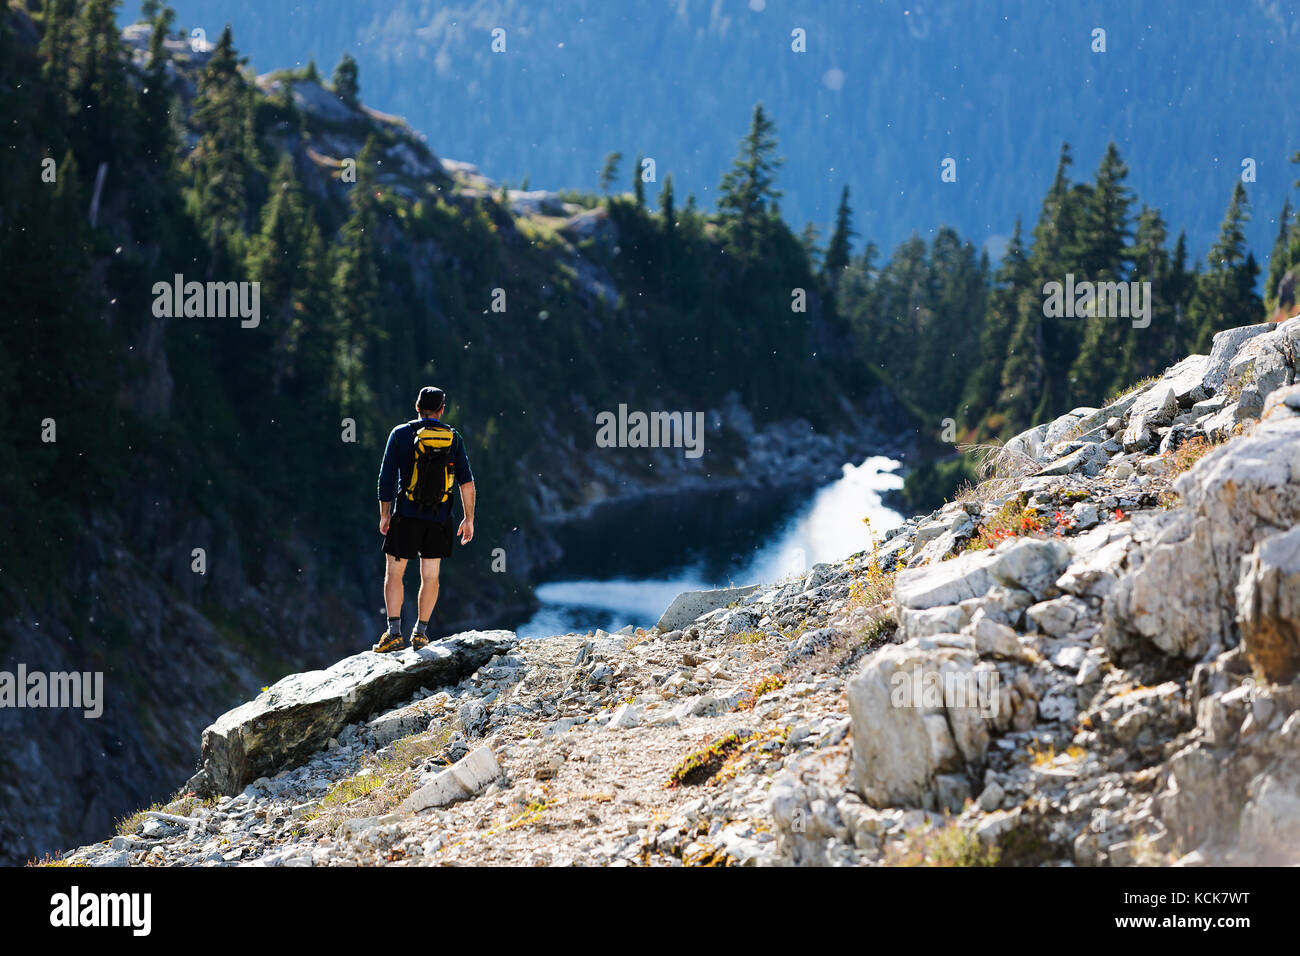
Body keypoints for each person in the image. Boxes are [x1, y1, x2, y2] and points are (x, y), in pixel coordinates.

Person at [373, 386, 475, 652]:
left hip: (406, 515)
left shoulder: (400, 434)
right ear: (442, 410)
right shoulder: (453, 437)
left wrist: (385, 515)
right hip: (439, 517)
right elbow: (467, 483)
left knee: (394, 573)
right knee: (430, 576)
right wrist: (469, 518)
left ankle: (394, 633)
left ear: (417, 407)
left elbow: (385, 479)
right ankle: (421, 632)